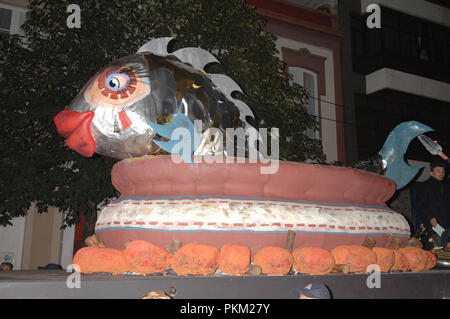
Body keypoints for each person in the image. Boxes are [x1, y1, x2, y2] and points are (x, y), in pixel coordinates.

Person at [415, 162, 449, 249]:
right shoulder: (425, 186)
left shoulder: (446, 187)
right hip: (434, 225)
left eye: (443, 171)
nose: (441, 173)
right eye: (438, 171)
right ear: (431, 173)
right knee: (437, 250)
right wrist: (431, 217)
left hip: (447, 225)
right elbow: (420, 205)